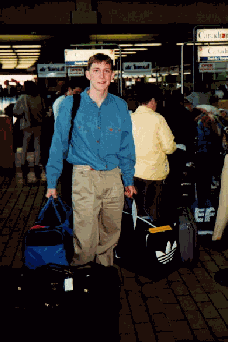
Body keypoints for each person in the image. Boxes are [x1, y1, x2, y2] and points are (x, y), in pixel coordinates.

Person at [45, 53, 136, 267]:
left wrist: (128, 179)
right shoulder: (71, 104)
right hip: (84, 177)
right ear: (88, 75)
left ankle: (103, 279)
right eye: (96, 71)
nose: (101, 76)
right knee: (85, 237)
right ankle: (81, 277)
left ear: (113, 76)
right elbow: (58, 144)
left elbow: (126, 145)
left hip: (114, 178)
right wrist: (52, 181)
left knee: (111, 233)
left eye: (106, 71)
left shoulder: (120, 106)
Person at [131, 83, 176, 226]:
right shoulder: (158, 119)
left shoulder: (129, 119)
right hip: (155, 175)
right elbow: (169, 148)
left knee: (136, 214)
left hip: (133, 175)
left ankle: (138, 242)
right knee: (154, 213)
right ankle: (156, 243)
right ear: (151, 101)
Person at [13, 81, 46, 180]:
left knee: (25, 145)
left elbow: (15, 111)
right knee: (37, 146)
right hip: (39, 124)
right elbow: (44, 109)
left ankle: (23, 164)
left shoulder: (23, 98)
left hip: (27, 125)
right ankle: (37, 164)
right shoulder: (39, 97)